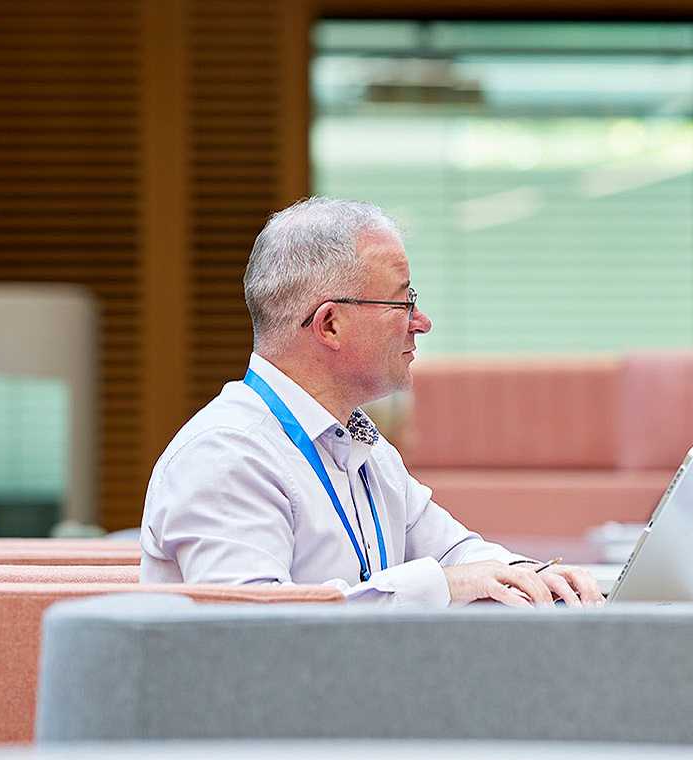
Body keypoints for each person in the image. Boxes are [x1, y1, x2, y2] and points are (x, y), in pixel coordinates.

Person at [140, 197, 602, 608]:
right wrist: (440, 585)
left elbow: (457, 554)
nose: (422, 322)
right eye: (403, 303)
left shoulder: (363, 445)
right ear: (330, 325)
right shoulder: (226, 455)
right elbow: (258, 632)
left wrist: (543, 580)